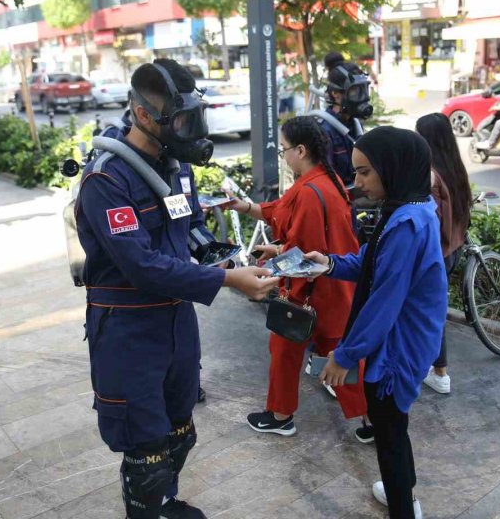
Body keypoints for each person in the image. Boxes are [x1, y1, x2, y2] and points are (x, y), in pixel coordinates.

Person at [75, 58, 279, 519]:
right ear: (145, 114)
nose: (191, 130)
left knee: (179, 431)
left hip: (176, 320)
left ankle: (165, 505)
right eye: (181, 119)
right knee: (145, 448)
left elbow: (190, 226)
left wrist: (235, 257)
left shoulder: (175, 166)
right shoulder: (106, 179)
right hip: (128, 330)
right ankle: (147, 508)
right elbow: (143, 266)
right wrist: (227, 280)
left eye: (194, 117)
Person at [310, 127, 447, 519]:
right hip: (409, 339)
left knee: (388, 431)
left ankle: (403, 506)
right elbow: (370, 262)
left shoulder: (405, 224)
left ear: (394, 167)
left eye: (366, 172)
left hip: (398, 348)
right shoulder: (411, 208)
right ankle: (402, 489)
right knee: (394, 426)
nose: (358, 182)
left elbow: (383, 302)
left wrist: (346, 355)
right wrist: (329, 262)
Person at [227, 115, 365, 437]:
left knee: (284, 350)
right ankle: (370, 420)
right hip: (339, 288)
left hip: (311, 291)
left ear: (300, 150)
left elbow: (306, 255)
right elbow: (281, 214)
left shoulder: (308, 191)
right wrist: (244, 208)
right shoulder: (326, 181)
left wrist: (270, 271)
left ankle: (280, 416)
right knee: (340, 357)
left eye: (284, 149)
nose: (284, 156)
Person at [415, 113, 472, 395]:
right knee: (432, 309)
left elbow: (426, 220)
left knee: (431, 312)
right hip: (454, 248)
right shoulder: (454, 167)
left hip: (436, 254)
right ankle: (434, 368)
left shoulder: (430, 174)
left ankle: (440, 374)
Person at [318, 61, 372, 185]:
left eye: (364, 89)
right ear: (335, 93)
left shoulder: (355, 124)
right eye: (355, 91)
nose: (363, 97)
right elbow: (326, 182)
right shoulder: (324, 131)